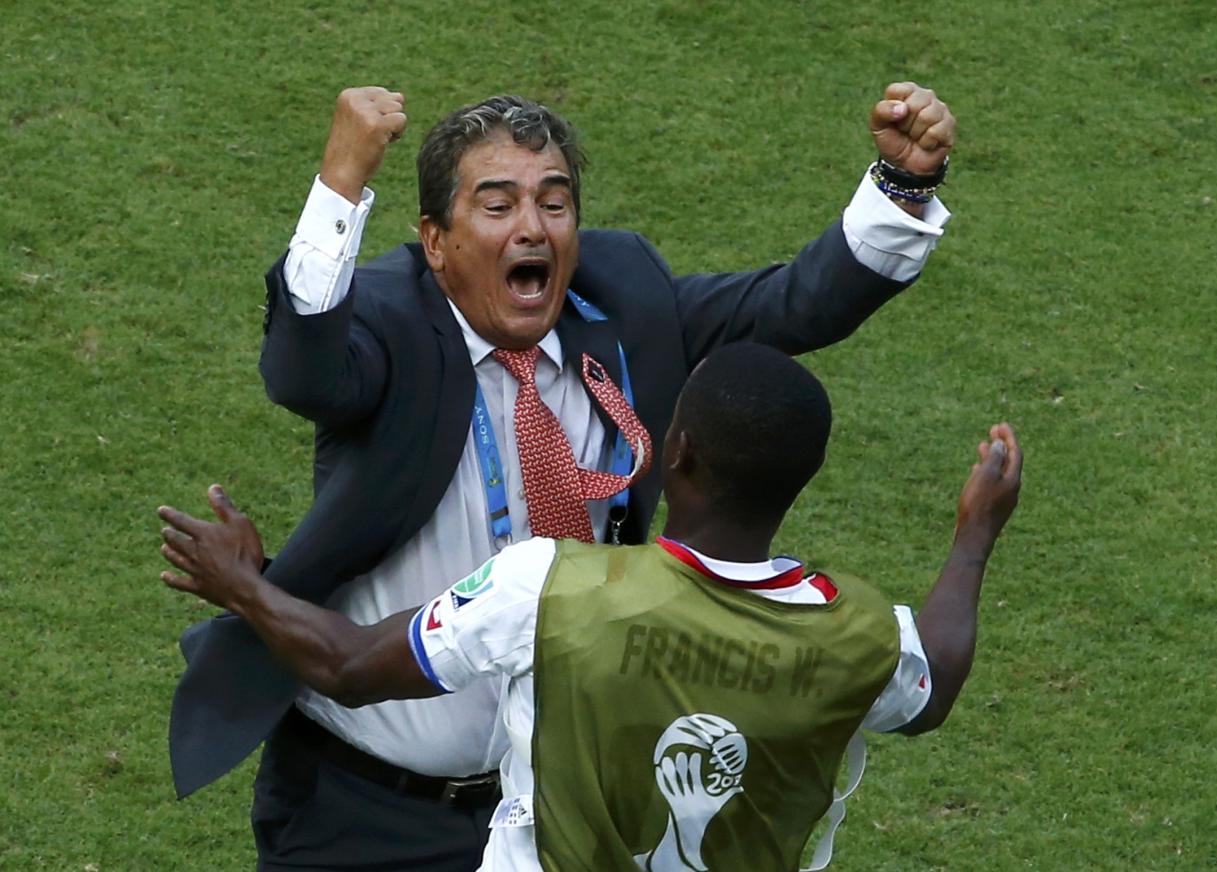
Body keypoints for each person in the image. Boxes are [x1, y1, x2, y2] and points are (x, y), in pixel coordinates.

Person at [169, 82, 957, 869]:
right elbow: (303, 374)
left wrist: (903, 185)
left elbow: (792, 306)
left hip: (552, 810)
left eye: (554, 202)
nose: (532, 229)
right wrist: (341, 179)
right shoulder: (390, 320)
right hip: (364, 807)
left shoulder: (624, 302)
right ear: (436, 242)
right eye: (497, 205)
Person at [159, 344, 1023, 871]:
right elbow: (935, 679)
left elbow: (346, 667)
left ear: (675, 452)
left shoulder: (548, 587)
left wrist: (242, 584)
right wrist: (975, 533)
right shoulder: (856, 633)